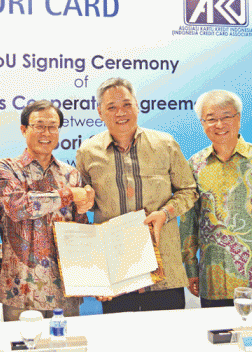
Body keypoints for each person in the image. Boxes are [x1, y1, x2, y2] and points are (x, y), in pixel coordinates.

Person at [76, 77, 198, 313]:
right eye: (112, 107)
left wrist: (165, 213)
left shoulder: (165, 144)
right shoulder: (87, 152)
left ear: (137, 105)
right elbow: (83, 207)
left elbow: (189, 190)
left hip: (164, 272)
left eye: (126, 104)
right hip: (117, 275)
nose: (120, 112)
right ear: (100, 112)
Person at [180, 89, 252, 308]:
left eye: (226, 117)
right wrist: (190, 267)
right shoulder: (194, 165)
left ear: (239, 118)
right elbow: (189, 222)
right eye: (211, 119)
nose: (219, 124)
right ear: (202, 123)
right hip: (214, 282)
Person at [0, 100, 94, 322]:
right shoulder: (6, 169)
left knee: (67, 341)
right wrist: (69, 195)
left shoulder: (71, 175)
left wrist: (84, 203)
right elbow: (18, 207)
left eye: (52, 127)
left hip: (64, 293)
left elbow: (80, 232)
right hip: (20, 292)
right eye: (39, 126)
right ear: (24, 129)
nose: (46, 133)